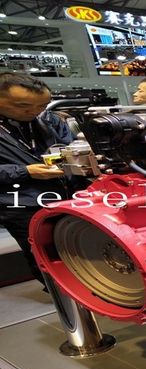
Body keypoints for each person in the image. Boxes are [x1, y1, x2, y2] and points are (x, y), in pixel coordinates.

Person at [0, 72, 75, 288]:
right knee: (43, 253)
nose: (34, 111)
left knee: (77, 244)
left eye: (42, 105)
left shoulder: (49, 119)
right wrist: (25, 171)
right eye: (23, 105)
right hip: (21, 203)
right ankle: (58, 293)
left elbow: (69, 147)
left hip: (67, 196)